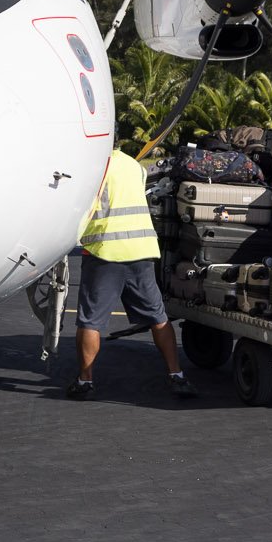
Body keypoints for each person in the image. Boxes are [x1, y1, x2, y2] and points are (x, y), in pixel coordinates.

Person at [70, 146, 192, 399]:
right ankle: (176, 375)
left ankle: (85, 381)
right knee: (158, 316)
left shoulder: (91, 165)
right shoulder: (135, 166)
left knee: (90, 320)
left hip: (105, 251)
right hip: (142, 248)